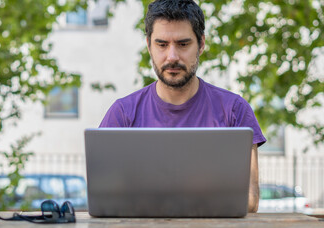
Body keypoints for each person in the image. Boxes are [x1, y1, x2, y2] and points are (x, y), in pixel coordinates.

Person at [99, 0, 266, 212]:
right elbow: (104, 196)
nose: (172, 56)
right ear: (149, 45)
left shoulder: (234, 110)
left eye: (183, 44)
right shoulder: (123, 113)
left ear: (202, 44)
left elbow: (250, 200)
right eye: (162, 44)